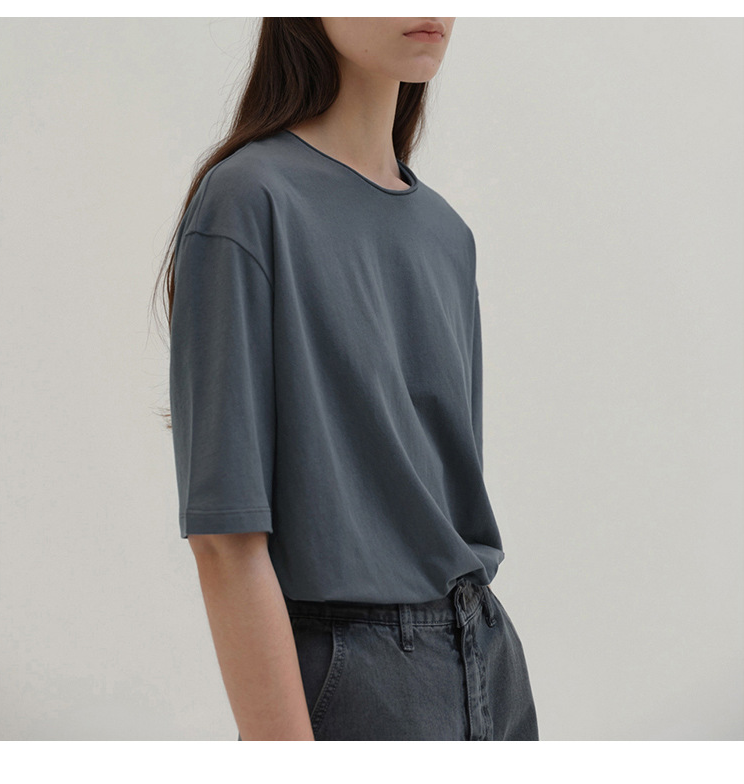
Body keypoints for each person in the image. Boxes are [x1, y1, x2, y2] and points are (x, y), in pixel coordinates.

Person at [157, 17, 539, 741]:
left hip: (489, 657)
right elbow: (225, 540)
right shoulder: (248, 201)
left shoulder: (448, 235)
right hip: (355, 680)